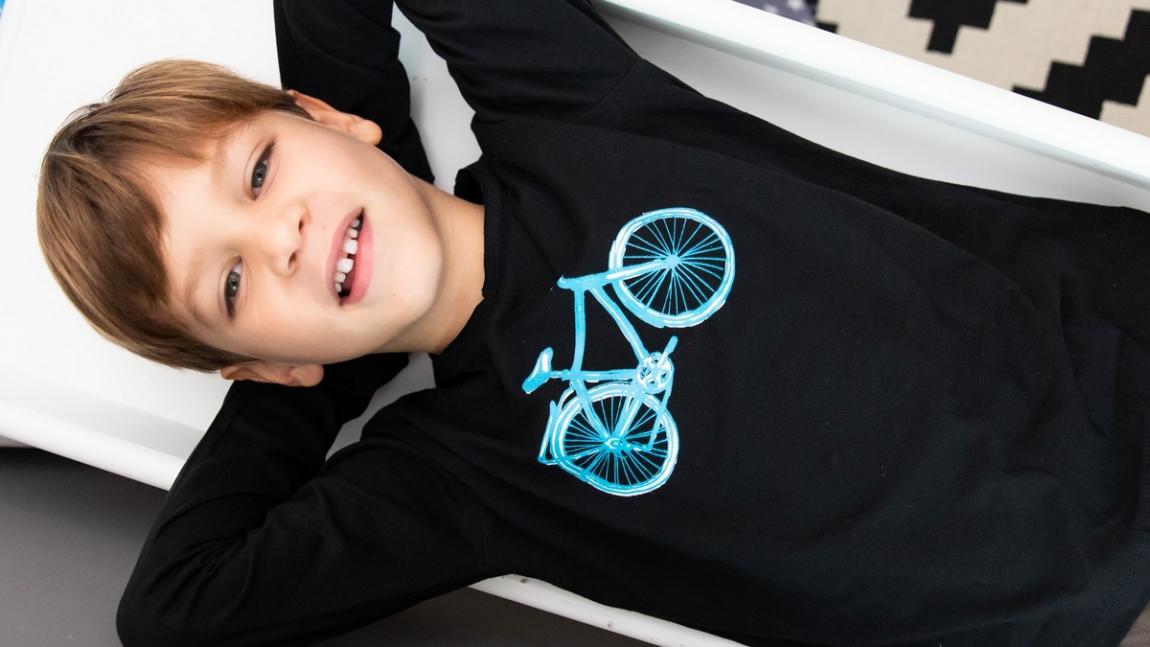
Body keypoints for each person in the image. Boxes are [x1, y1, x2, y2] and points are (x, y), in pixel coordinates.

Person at [35, 1, 1150, 645]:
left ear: (325, 119)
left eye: (261, 170)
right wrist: (313, 368)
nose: (278, 237)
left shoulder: (566, 110)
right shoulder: (455, 479)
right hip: (1092, 605)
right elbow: (175, 613)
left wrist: (373, 145)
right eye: (232, 283)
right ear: (260, 364)